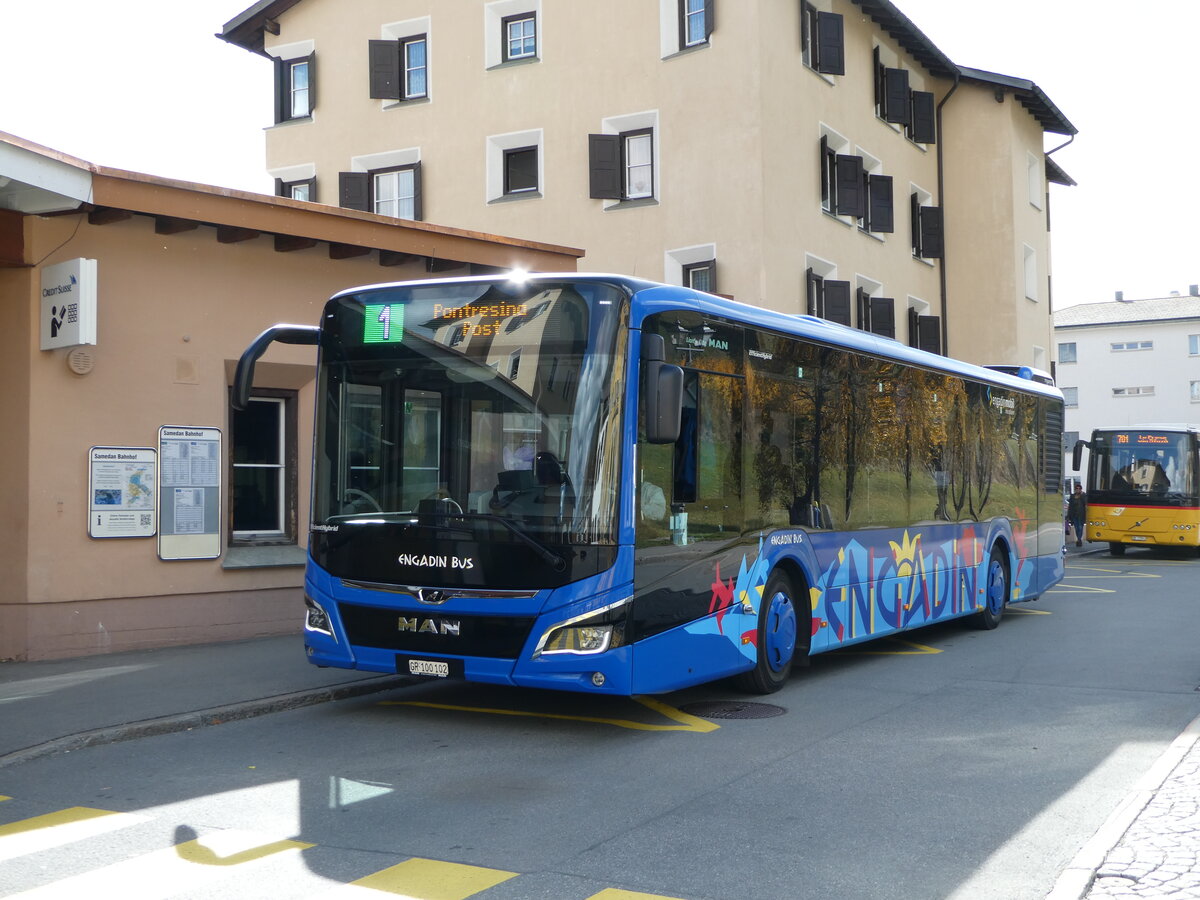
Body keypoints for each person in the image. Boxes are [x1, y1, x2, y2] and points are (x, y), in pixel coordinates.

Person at [1066, 483, 1087, 548]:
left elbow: (1085, 504)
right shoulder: (1072, 496)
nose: (1078, 489)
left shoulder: (1083, 495)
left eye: (1079, 488)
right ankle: (1079, 539)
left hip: (1081, 515)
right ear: (1075, 489)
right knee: (1076, 527)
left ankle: (1079, 539)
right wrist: (1068, 515)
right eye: (1077, 488)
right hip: (1074, 514)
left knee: (1080, 527)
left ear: (1081, 489)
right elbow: (1070, 506)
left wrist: (1082, 495)